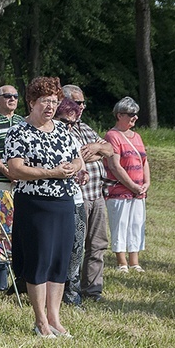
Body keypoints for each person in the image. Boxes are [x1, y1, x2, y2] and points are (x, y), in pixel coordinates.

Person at [4, 76, 82, 338]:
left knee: (59, 262)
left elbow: (79, 159)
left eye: (53, 101)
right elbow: (15, 169)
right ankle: (40, 322)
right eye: (44, 102)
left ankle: (55, 319)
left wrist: (73, 168)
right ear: (31, 102)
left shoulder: (62, 129)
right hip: (35, 204)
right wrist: (51, 172)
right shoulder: (19, 130)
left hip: (63, 202)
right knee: (39, 261)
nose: (49, 107)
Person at [62, 84, 113, 302]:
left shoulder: (85, 128)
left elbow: (110, 149)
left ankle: (92, 290)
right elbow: (72, 158)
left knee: (98, 244)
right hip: (76, 197)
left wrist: (95, 147)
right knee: (74, 246)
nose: (82, 107)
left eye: (83, 102)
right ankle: (68, 290)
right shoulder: (59, 127)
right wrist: (90, 156)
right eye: (77, 102)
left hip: (96, 195)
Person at [103, 97, 150, 273]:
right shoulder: (112, 136)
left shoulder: (136, 136)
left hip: (138, 191)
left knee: (137, 224)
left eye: (136, 114)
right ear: (119, 115)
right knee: (120, 225)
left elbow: (144, 161)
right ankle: (121, 262)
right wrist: (132, 186)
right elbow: (115, 166)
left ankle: (134, 261)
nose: (135, 118)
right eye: (131, 114)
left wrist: (146, 183)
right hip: (119, 190)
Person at [54, 98, 89, 307]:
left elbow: (81, 165)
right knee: (55, 249)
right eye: (64, 121)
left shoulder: (73, 140)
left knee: (77, 250)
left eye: (72, 123)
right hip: (55, 201)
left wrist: (83, 174)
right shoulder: (47, 138)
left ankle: (72, 295)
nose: (68, 127)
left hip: (76, 200)